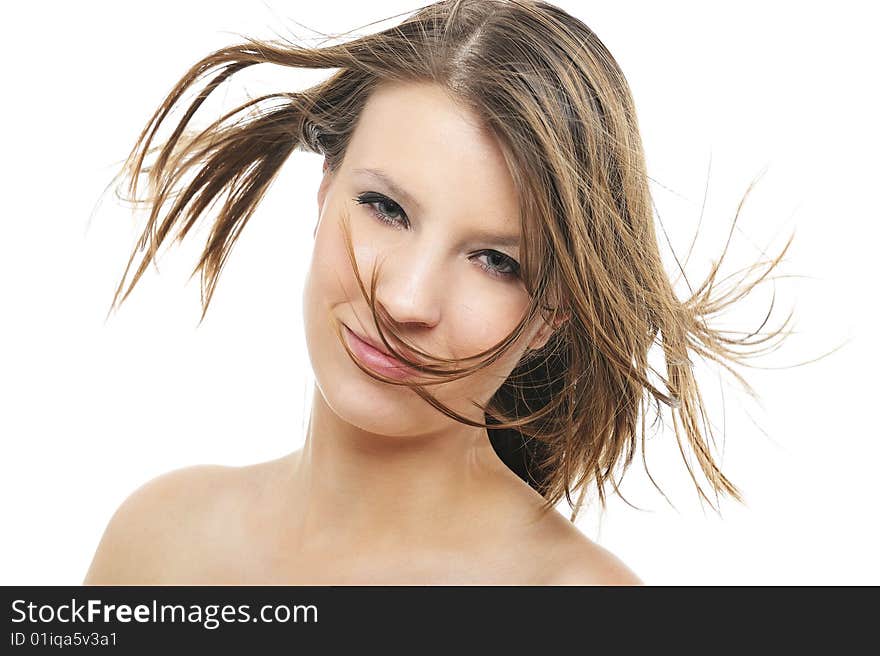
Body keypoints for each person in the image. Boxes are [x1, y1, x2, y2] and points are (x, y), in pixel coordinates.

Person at [83, 0, 791, 585]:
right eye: (385, 209)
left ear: (555, 311)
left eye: (495, 261)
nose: (407, 301)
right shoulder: (157, 542)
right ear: (326, 189)